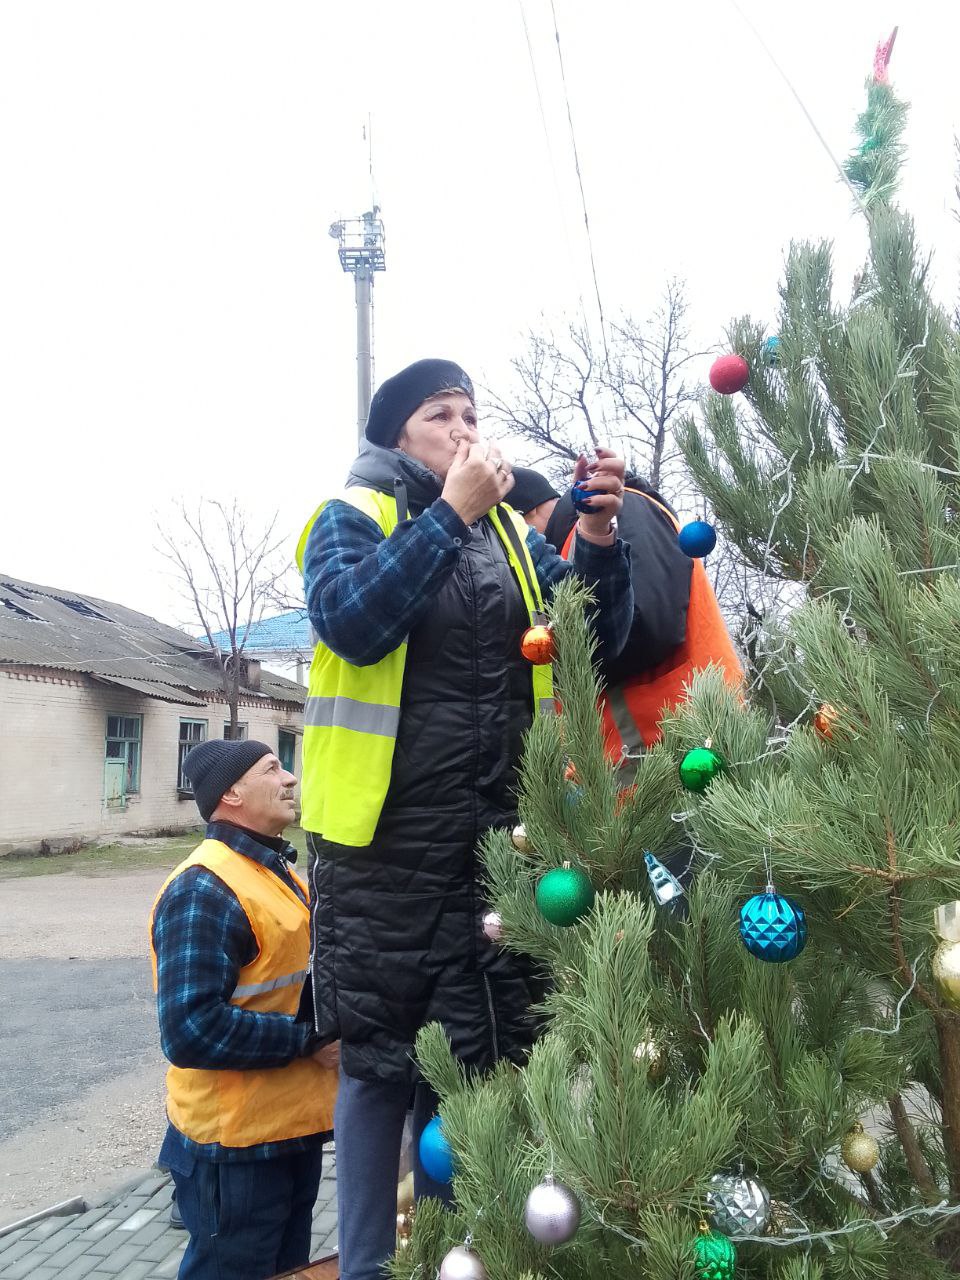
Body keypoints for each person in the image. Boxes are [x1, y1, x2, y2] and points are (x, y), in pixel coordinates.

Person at [297, 357, 634, 1280]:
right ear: (398, 439)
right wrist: (447, 515)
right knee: (380, 1060)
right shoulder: (352, 518)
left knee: (477, 1055)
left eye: (470, 413)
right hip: (384, 851)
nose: (462, 426)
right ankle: (368, 1265)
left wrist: (599, 537)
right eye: (439, 414)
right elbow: (351, 620)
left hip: (496, 843)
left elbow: (590, 640)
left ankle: (459, 1254)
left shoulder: (514, 543)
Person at [149, 739, 338, 1280]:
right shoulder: (205, 889)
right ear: (231, 793)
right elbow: (190, 1030)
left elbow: (289, 983)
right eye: (272, 768)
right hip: (231, 1151)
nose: (290, 779)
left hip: (281, 1132)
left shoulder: (271, 870)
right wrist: (310, 1040)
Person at [508, 464, 743, 767]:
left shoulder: (608, 521)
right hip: (667, 742)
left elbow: (646, 625)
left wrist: (559, 660)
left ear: (528, 515)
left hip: (676, 746)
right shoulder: (591, 531)